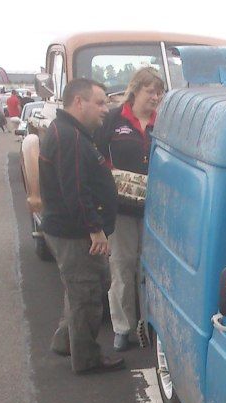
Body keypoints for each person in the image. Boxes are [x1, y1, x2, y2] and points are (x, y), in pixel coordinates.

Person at [39, 78, 122, 374]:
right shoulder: (70, 138)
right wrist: (94, 228)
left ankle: (66, 341)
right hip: (75, 233)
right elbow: (75, 189)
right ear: (78, 103)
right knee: (86, 292)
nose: (105, 109)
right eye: (99, 102)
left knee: (80, 289)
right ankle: (86, 359)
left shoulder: (73, 133)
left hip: (72, 229)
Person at [94, 67, 164, 351]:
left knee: (150, 268)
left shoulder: (165, 122)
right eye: (150, 92)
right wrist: (111, 174)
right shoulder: (113, 119)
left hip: (155, 208)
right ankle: (122, 327)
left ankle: (149, 322)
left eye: (159, 92)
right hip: (121, 207)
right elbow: (95, 152)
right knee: (122, 266)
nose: (156, 97)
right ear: (135, 90)